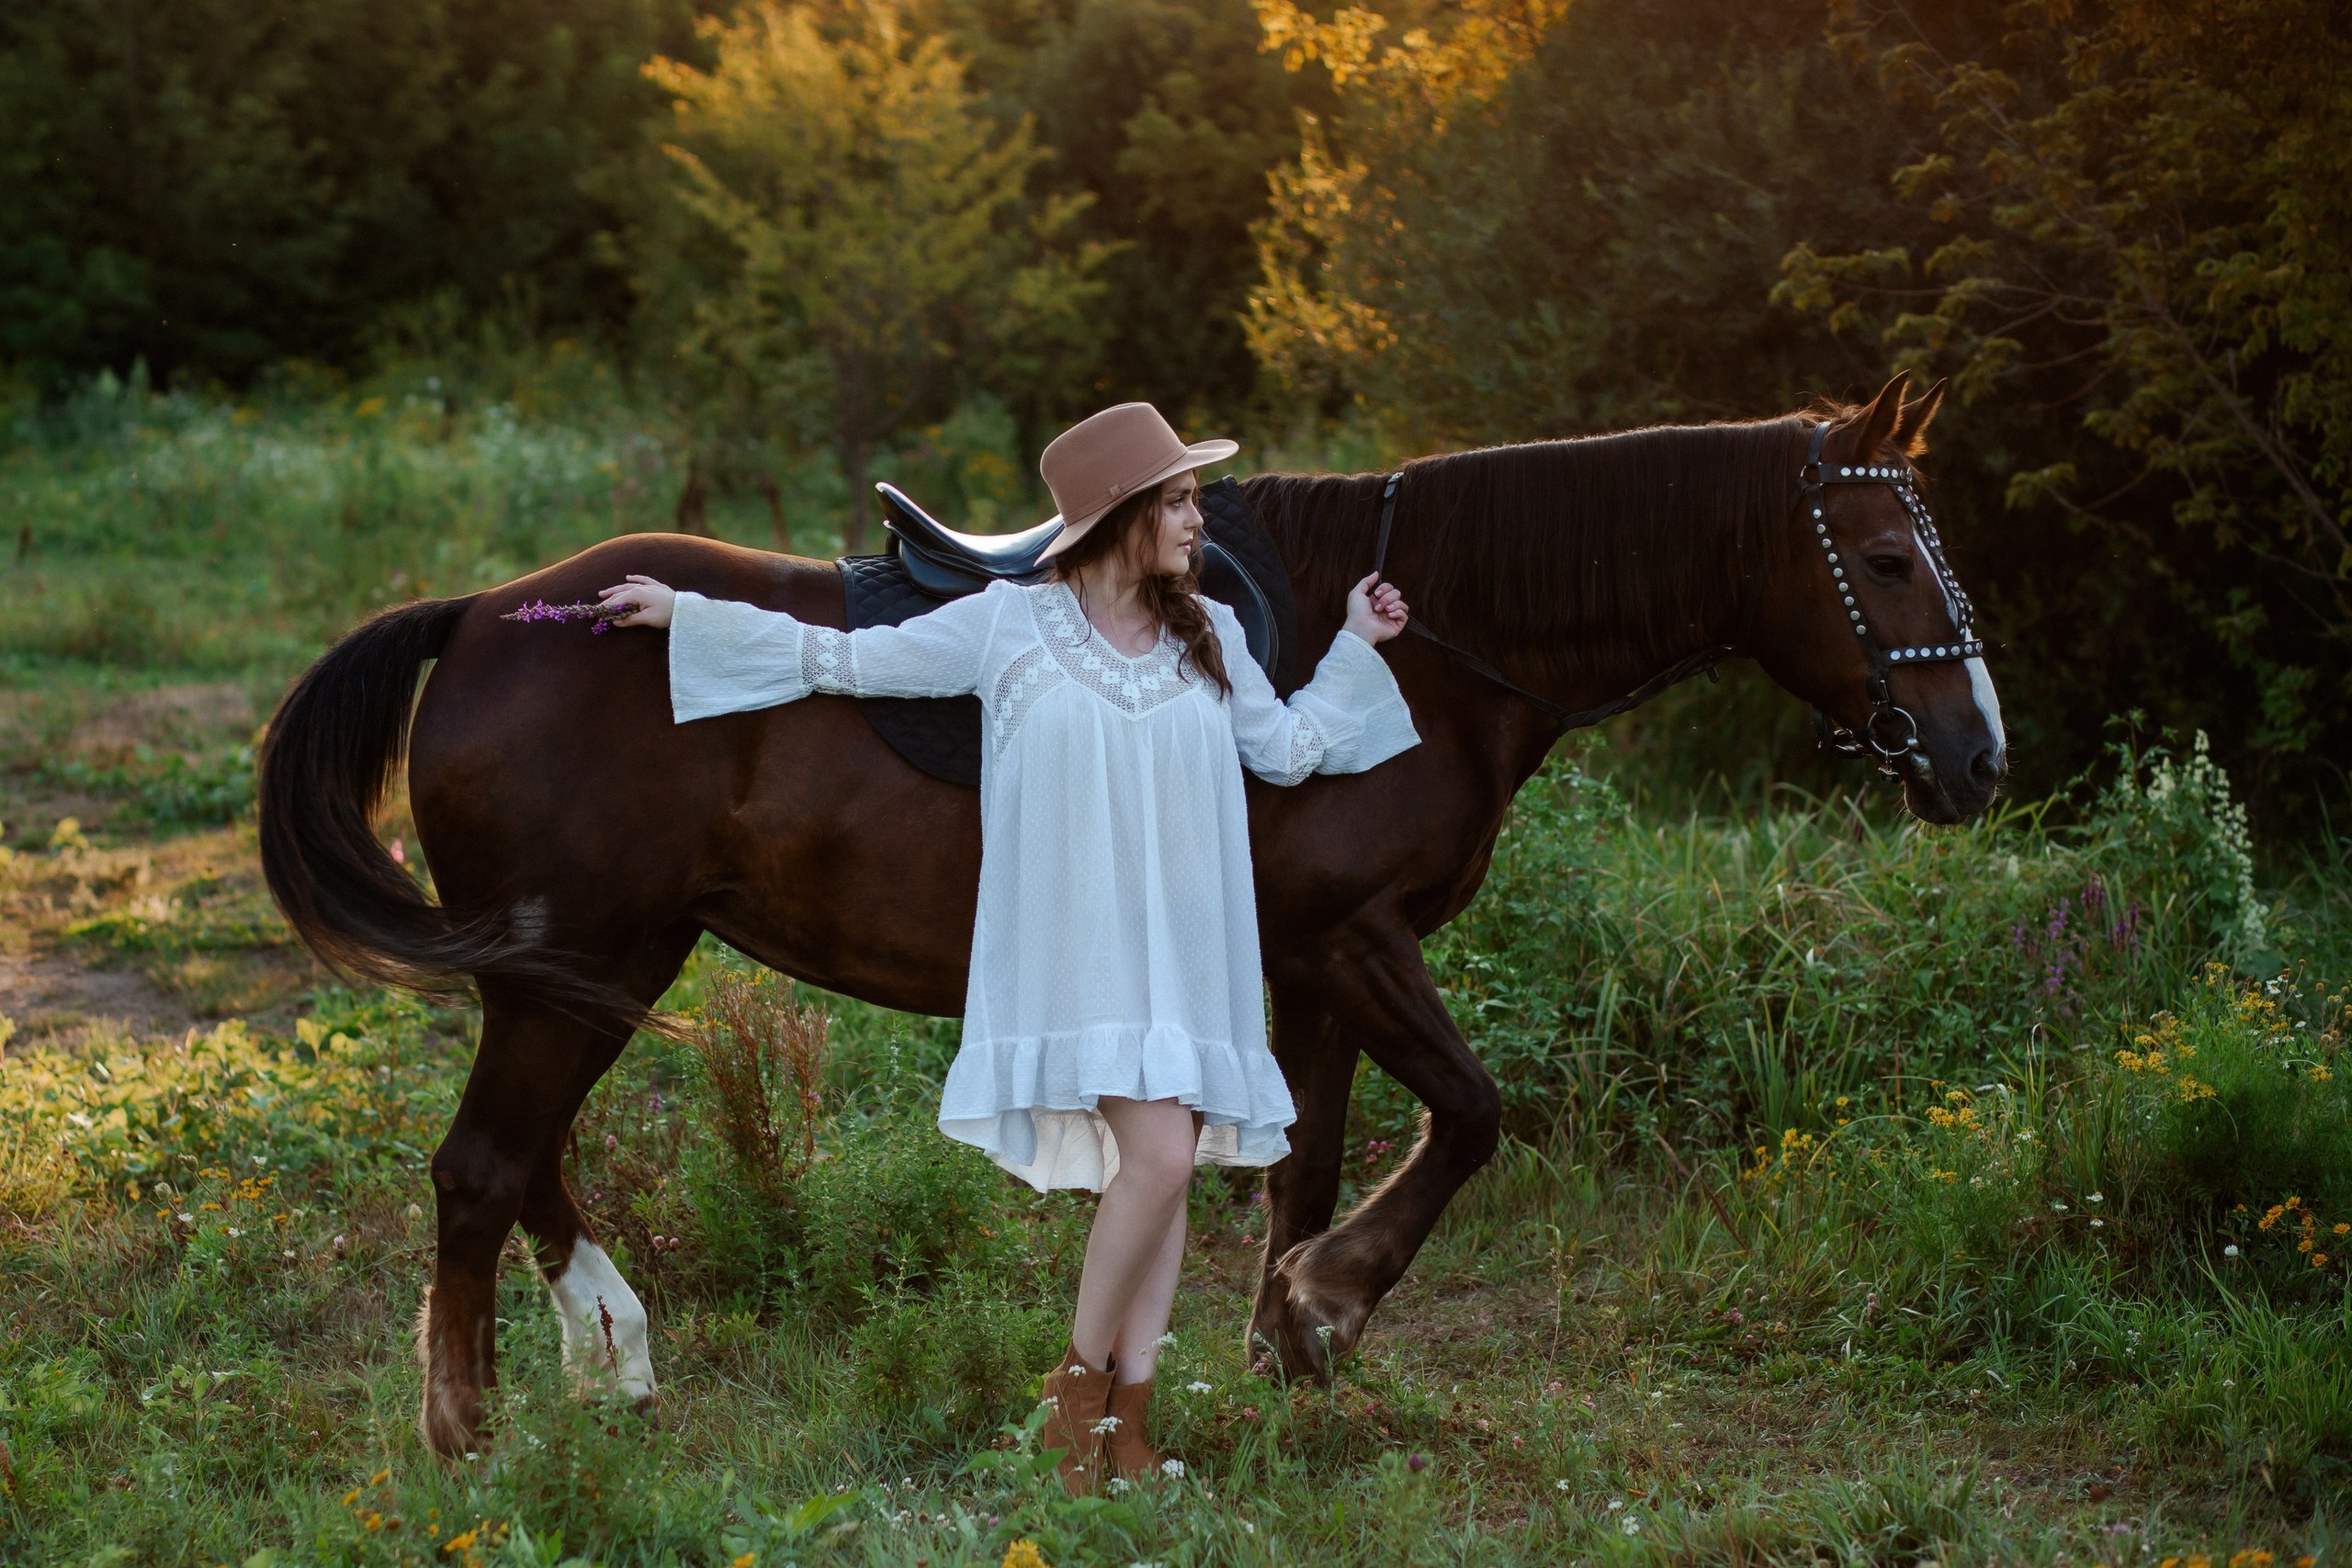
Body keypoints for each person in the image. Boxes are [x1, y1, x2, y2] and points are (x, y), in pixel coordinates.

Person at [596, 402, 1418, 1492]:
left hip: (1186, 953)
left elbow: (1285, 750)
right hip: (1079, 956)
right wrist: (690, 617)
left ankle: (1127, 1422)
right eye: (1175, 502)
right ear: (1120, 516)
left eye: (1193, 501)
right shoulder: (1007, 626)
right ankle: (1073, 1394)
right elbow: (842, 660)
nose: (1195, 523)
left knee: (1163, 1175)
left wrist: (1359, 645)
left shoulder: (1208, 629)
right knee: (1164, 1160)